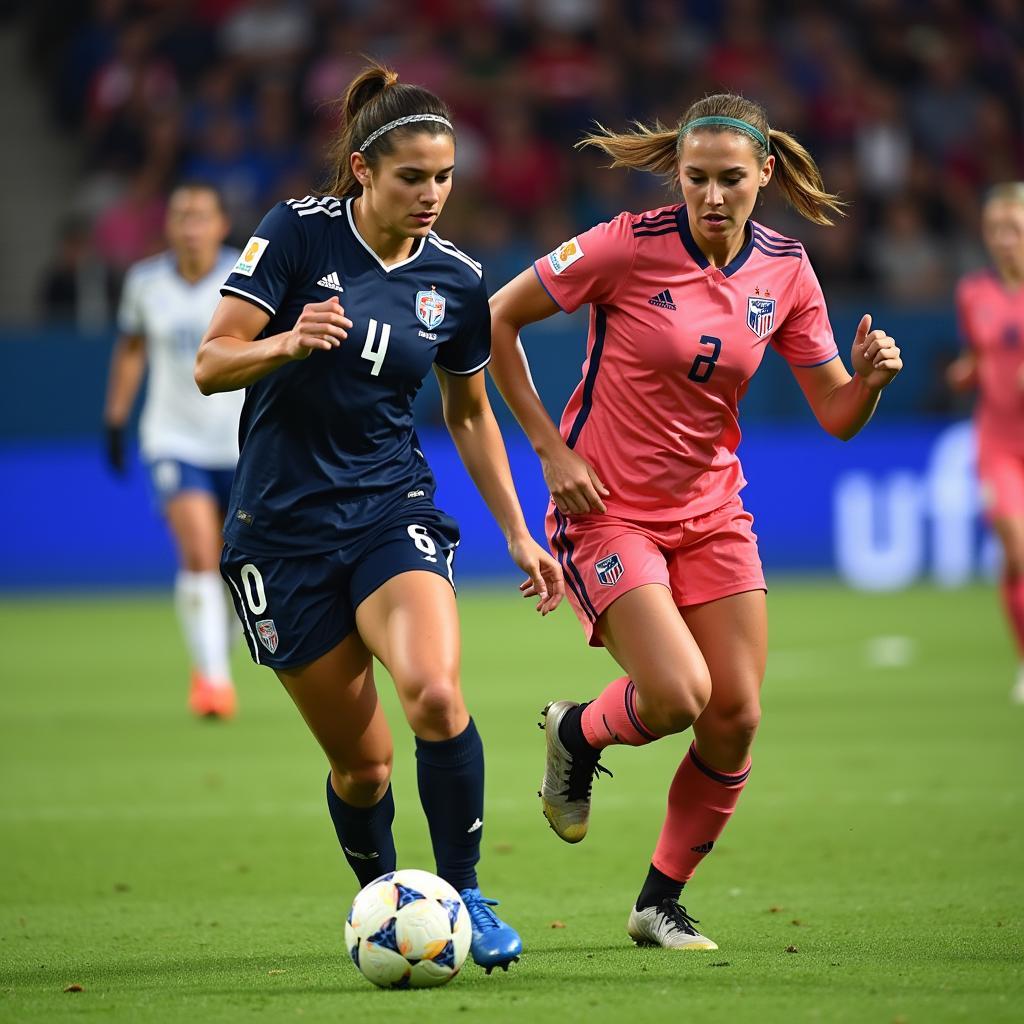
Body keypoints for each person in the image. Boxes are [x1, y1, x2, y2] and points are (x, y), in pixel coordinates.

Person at [488, 94, 903, 950]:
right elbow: (498, 318)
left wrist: (867, 383)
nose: (713, 196)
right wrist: (549, 452)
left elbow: (833, 412)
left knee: (736, 714)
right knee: (678, 695)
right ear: (677, 175)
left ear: (766, 176)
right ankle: (574, 730)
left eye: (731, 180)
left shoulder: (786, 269)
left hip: (713, 512)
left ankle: (657, 903)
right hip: (608, 511)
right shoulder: (623, 246)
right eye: (697, 178)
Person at [193, 62, 563, 972]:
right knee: (364, 769)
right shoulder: (293, 234)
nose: (432, 194)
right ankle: (387, 903)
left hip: (387, 511)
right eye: (412, 177)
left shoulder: (458, 279)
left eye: (444, 178)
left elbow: (469, 411)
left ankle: (465, 892)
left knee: (434, 693)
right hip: (279, 536)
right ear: (363, 170)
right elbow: (211, 362)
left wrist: (517, 527)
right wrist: (286, 340)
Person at [104, 181, 243, 719]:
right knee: (198, 554)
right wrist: (115, 417)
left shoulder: (243, 276)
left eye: (200, 215)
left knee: (236, 565)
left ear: (220, 224)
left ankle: (212, 660)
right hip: (173, 438)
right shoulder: (145, 283)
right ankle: (213, 682)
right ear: (168, 225)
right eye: (180, 215)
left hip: (238, 440)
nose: (190, 225)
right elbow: (132, 349)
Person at [947, 183, 1024, 704]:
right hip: (998, 444)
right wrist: (967, 371)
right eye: (995, 229)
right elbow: (979, 354)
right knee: (1017, 551)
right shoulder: (973, 293)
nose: (1004, 239)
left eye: (1014, 229)